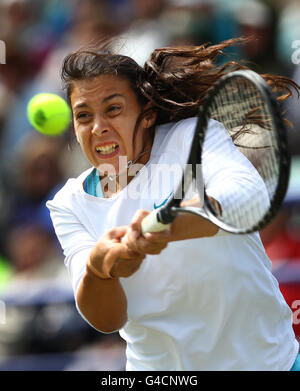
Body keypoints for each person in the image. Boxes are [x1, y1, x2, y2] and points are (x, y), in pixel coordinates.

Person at [46, 38, 300, 371]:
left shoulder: (192, 135)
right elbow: (106, 320)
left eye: (113, 108)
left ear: (147, 115)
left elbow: (247, 199)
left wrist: (168, 226)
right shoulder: (68, 204)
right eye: (83, 116)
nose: (98, 128)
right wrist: (101, 266)